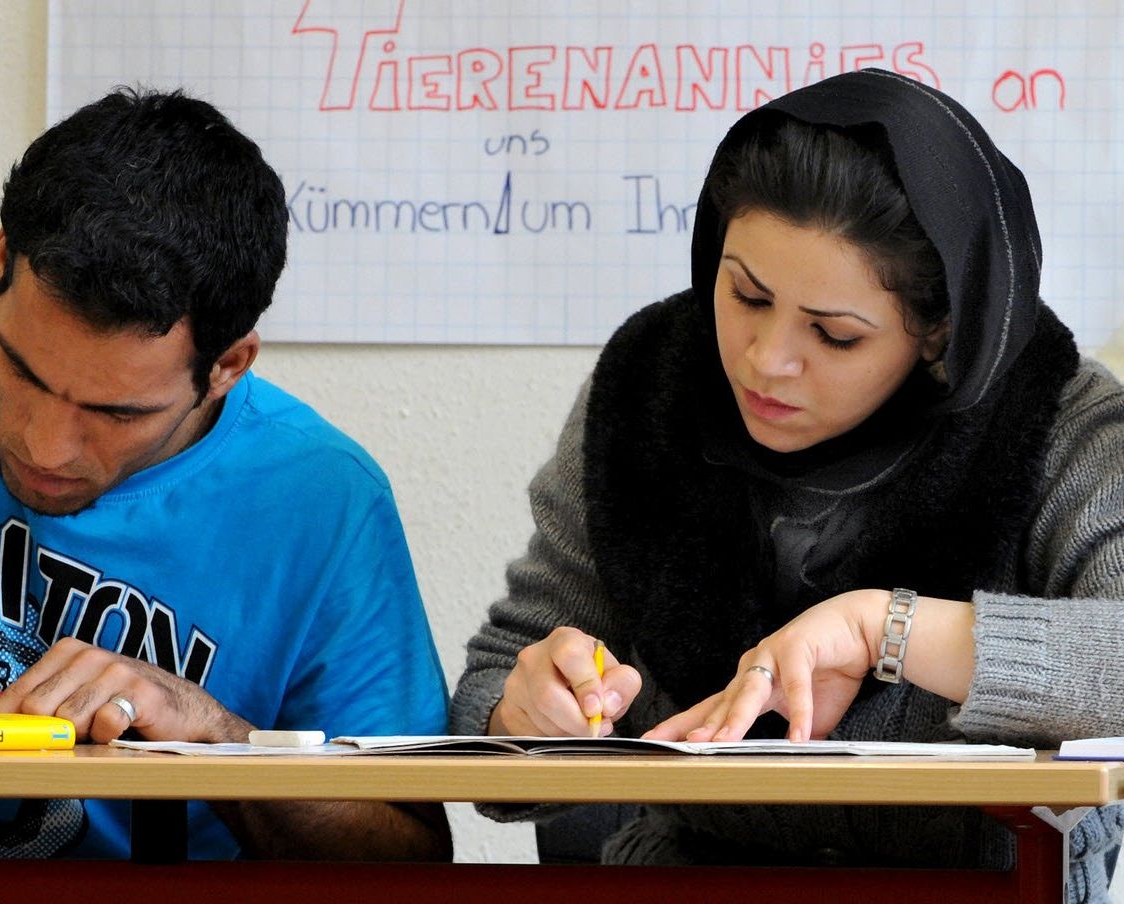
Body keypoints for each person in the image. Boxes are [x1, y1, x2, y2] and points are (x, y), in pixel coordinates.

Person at [450, 68, 1124, 900]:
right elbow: (496, 684)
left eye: (834, 336)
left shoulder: (1055, 417)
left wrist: (886, 626)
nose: (766, 360)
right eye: (745, 295)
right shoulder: (651, 387)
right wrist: (527, 720)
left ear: (938, 333)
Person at [0, 87, 450, 861]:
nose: (45, 445)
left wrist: (217, 738)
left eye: (116, 412)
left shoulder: (321, 501)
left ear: (227, 365)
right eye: (21, 370)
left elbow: (406, 857)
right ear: (1, 262)